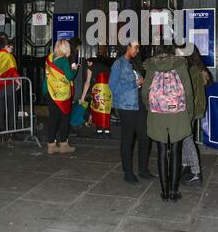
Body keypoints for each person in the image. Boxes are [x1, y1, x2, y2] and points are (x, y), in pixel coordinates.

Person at [142, 44, 194, 202]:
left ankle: (164, 191)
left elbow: (145, 92)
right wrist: (189, 113)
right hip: (178, 113)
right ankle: (173, 191)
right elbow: (188, 91)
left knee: (162, 151)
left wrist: (149, 107)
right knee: (176, 152)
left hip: (157, 114)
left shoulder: (151, 66)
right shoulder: (180, 64)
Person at [109, 41, 152, 183]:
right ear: (127, 47)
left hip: (139, 103)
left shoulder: (135, 63)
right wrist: (135, 83)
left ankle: (143, 170)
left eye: (138, 47)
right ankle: (128, 172)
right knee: (128, 139)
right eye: (135, 47)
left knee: (144, 137)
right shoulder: (118, 64)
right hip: (126, 106)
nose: (137, 50)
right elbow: (112, 86)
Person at [175, 44, 210, 186]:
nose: (176, 56)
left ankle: (195, 172)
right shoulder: (194, 69)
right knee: (184, 139)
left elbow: (190, 93)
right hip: (192, 108)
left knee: (187, 139)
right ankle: (187, 166)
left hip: (189, 109)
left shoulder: (192, 71)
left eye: (178, 54)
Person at [42, 39, 78, 154]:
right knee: (65, 117)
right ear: (66, 48)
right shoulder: (63, 60)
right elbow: (69, 77)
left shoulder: (50, 58)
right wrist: (74, 69)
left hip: (48, 90)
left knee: (53, 118)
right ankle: (63, 145)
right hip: (60, 94)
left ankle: (51, 146)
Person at [0, 37, 20, 137]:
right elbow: (13, 71)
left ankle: (1, 133)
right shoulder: (8, 56)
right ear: (6, 46)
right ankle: (12, 131)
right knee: (12, 108)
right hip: (8, 86)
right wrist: (18, 83)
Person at [80, 57, 112, 134]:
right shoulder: (107, 68)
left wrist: (82, 97)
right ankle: (107, 130)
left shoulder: (91, 67)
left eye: (88, 63)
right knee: (106, 109)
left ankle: (99, 130)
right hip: (108, 90)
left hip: (99, 90)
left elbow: (87, 83)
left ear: (90, 62)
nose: (87, 65)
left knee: (97, 108)